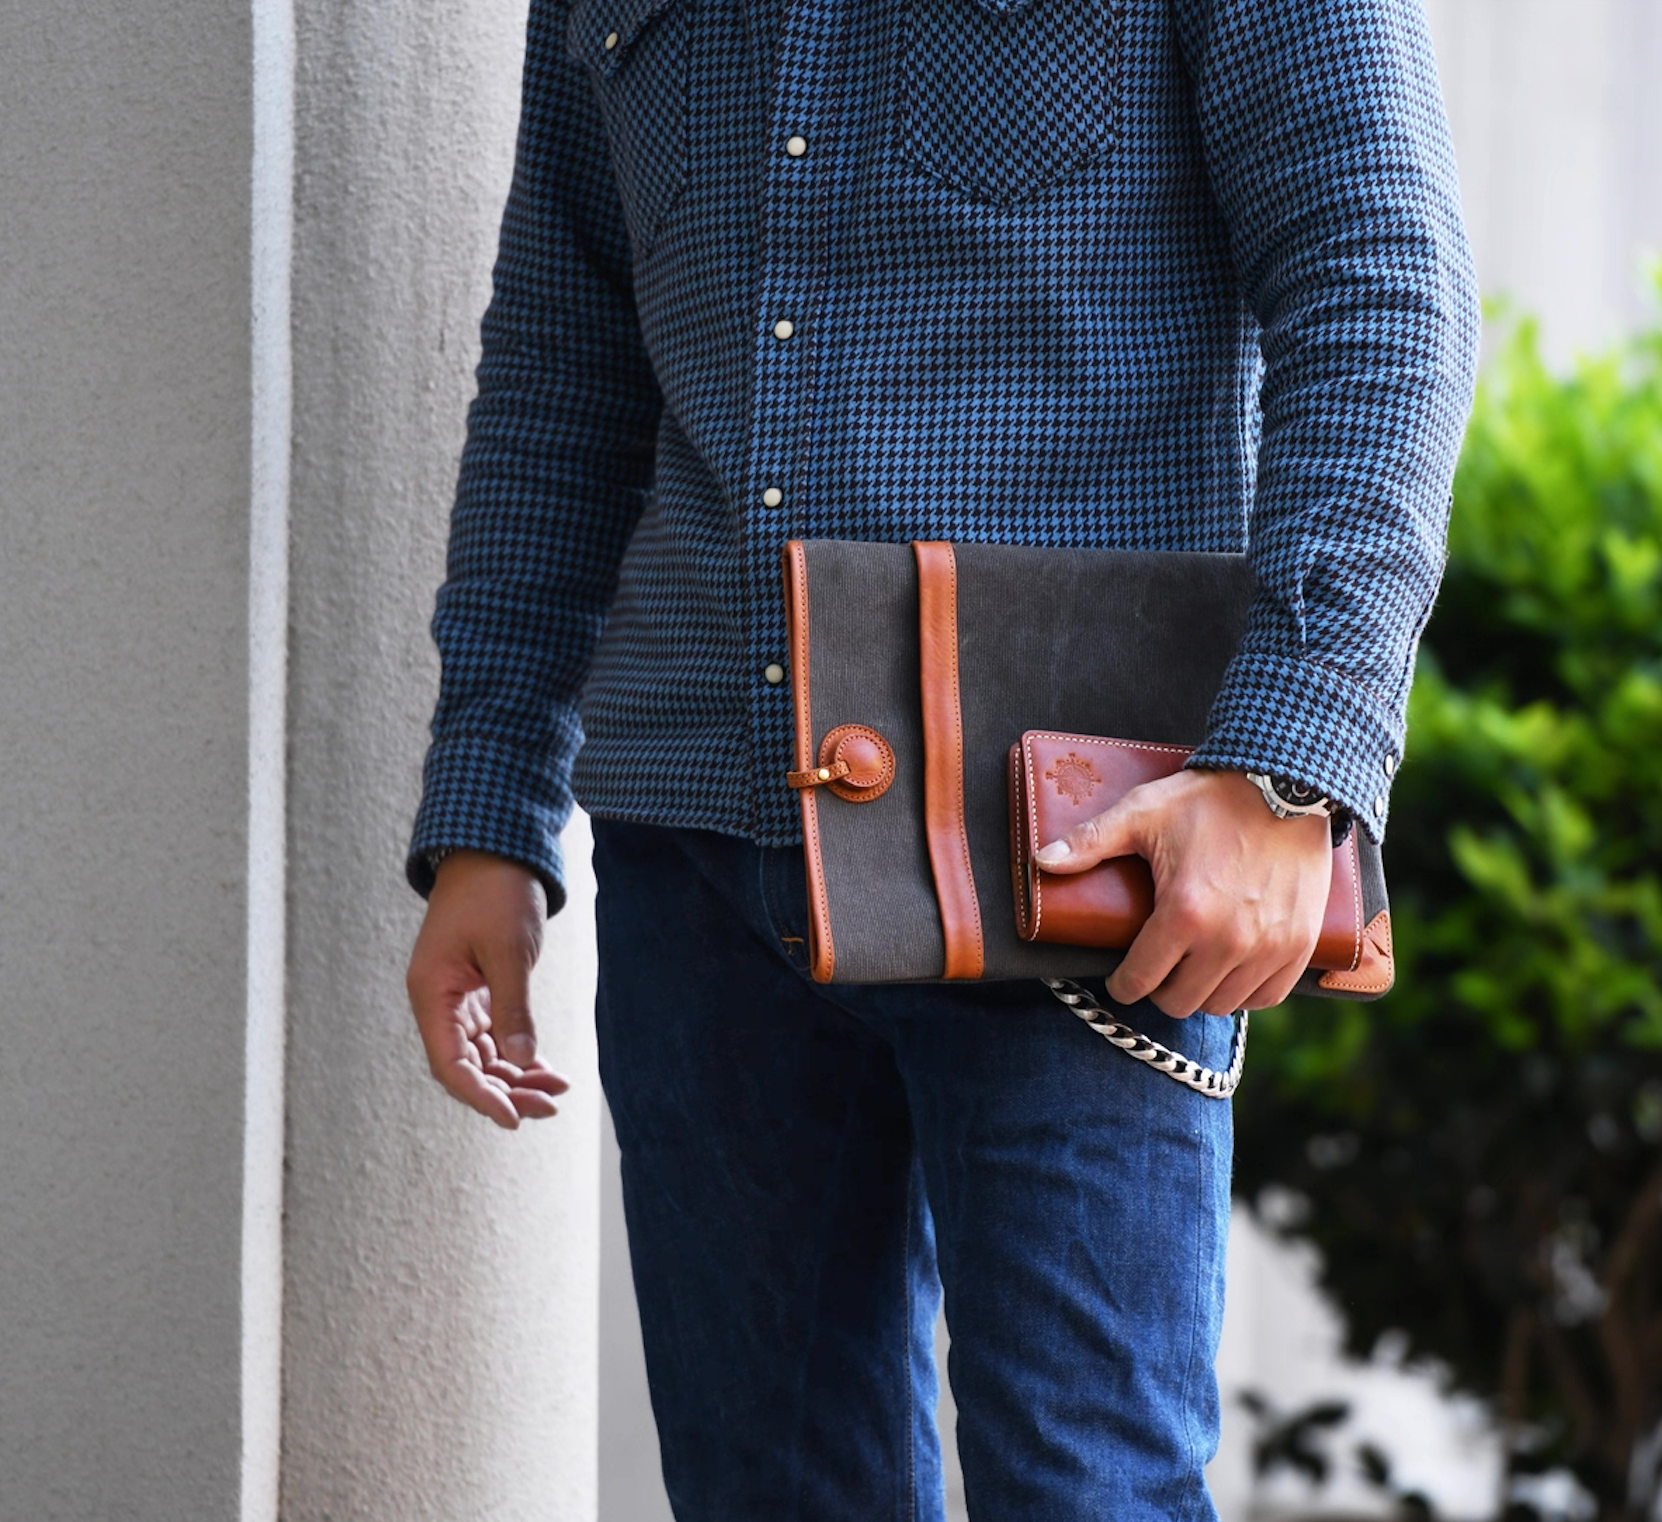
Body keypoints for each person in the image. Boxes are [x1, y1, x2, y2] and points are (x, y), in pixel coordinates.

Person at [403, 0, 1478, 1513]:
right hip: (695, 861)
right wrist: (488, 810)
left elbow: (1380, 280)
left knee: (1083, 1487)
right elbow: (561, 369)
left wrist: (1287, 765)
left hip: (1074, 859)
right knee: (763, 1490)